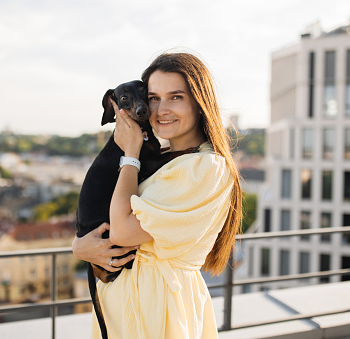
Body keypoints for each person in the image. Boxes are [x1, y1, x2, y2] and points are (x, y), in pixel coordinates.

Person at [72, 52, 242, 339]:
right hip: (125, 306)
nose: (160, 109)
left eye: (176, 97)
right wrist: (80, 246)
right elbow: (107, 215)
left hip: (158, 308)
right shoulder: (167, 159)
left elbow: (124, 232)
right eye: (153, 98)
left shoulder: (204, 166)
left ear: (200, 103)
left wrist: (130, 153)